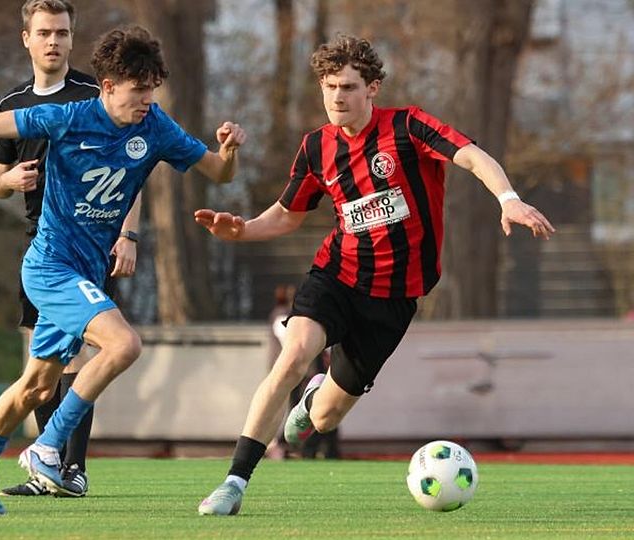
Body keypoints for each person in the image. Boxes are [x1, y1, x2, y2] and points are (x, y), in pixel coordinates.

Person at [195, 34, 554, 515]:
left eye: (347, 87)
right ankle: (234, 483)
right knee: (294, 354)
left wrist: (508, 198)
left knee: (324, 418)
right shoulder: (316, 147)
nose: (337, 98)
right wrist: (242, 231)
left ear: (373, 89)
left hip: (394, 299)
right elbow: (287, 214)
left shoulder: (407, 127)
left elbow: (471, 154)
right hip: (336, 276)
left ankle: (311, 402)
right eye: (328, 87)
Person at [0, 25, 245, 515]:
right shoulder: (68, 117)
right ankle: (47, 448)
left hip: (86, 274)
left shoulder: (155, 127)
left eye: (151, 89)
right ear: (108, 88)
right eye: (137, 90)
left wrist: (229, 149)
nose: (146, 99)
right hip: (50, 267)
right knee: (124, 344)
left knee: (36, 385)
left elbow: (218, 173)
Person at [0, 0, 143, 499]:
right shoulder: (12, 104)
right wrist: (8, 179)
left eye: (62, 32)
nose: (53, 41)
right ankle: (43, 470)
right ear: (26, 39)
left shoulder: (95, 96)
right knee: (39, 360)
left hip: (89, 241)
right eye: (44, 32)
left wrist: (128, 234)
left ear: (73, 39)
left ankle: (72, 468)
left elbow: (134, 171)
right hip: (41, 242)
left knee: (81, 353)